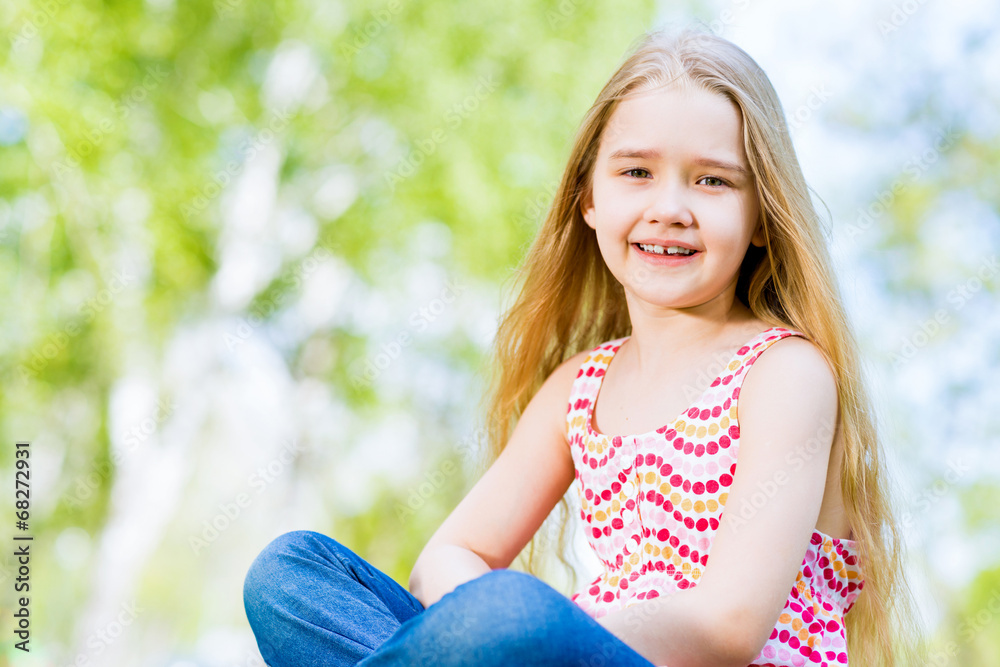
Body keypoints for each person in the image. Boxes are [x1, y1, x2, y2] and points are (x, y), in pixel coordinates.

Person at [242, 27, 923, 667]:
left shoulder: (784, 373)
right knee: (292, 573)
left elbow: (730, 624)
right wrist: (488, 623)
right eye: (636, 173)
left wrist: (536, 626)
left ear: (761, 219)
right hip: (555, 645)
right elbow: (448, 553)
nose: (671, 207)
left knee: (513, 611)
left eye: (713, 180)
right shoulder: (581, 387)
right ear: (587, 197)